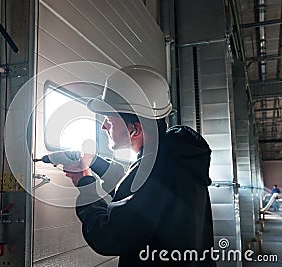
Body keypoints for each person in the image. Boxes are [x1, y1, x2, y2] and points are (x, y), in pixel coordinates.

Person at [63, 65, 216, 266]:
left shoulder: (157, 170)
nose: (103, 126)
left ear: (134, 129)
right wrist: (94, 163)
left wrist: (84, 184)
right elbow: (135, 189)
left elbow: (109, 236)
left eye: (109, 120)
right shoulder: (173, 156)